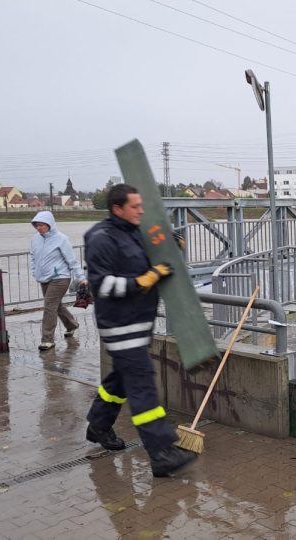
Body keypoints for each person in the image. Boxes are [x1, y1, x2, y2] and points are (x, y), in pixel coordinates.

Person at [83, 183, 196, 478]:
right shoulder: (101, 238)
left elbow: (153, 245)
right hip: (120, 327)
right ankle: (162, 452)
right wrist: (143, 281)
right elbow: (103, 285)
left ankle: (98, 424)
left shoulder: (134, 231)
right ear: (117, 208)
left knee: (120, 380)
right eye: (135, 206)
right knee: (143, 387)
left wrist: (173, 243)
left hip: (138, 323)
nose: (141, 211)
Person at [29, 211, 86, 351]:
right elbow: (33, 257)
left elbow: (71, 260)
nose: (39, 228)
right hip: (44, 278)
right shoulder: (35, 239)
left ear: (49, 224)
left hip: (60, 278)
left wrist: (81, 278)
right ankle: (72, 325)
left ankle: (47, 340)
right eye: (36, 225)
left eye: (41, 225)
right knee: (56, 306)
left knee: (49, 307)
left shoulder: (61, 239)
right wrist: (34, 271)